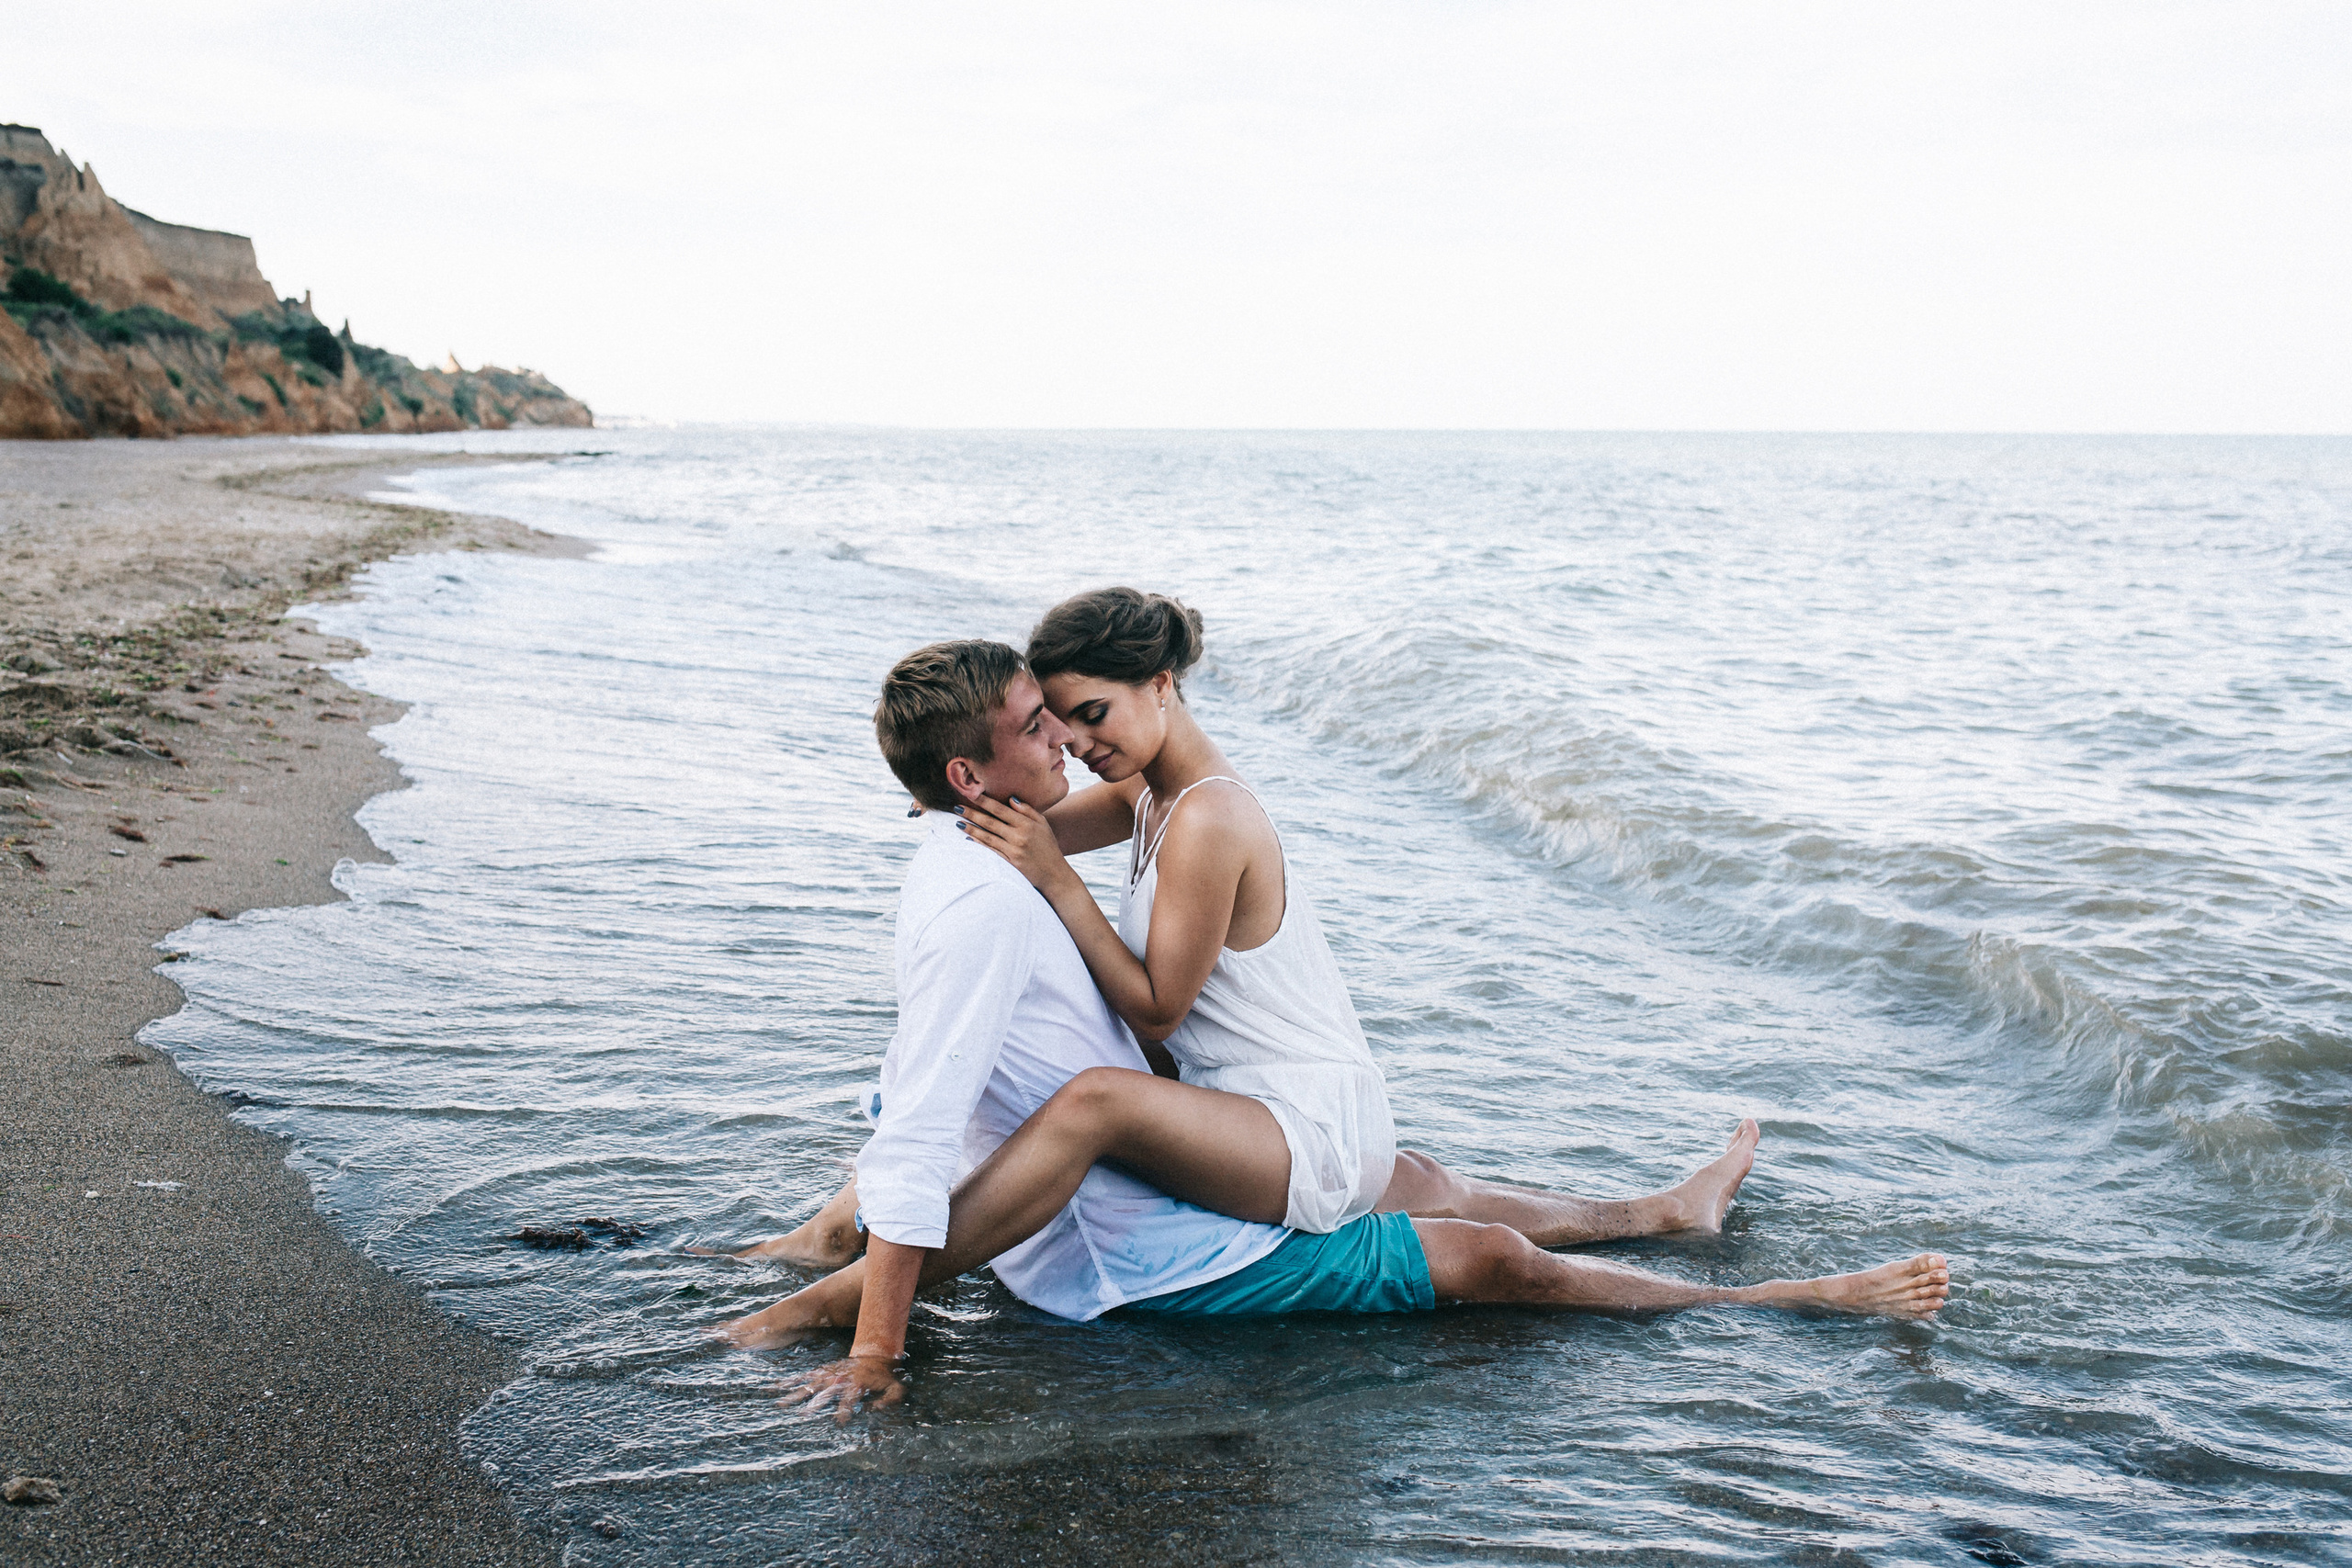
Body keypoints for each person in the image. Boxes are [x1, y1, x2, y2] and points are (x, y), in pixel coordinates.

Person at [714, 638, 1951, 1417]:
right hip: (1149, 1250)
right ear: (973, 778)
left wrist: (825, 1225)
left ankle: (1661, 1215)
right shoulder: (995, 892)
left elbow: (953, 1058)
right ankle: (1786, 1300)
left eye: (1071, 713)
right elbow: (934, 1106)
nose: (1069, 745)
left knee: (1412, 1176)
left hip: (1166, 1165)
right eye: (1043, 726)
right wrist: (873, 1337)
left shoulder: (1006, 843)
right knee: (1486, 1258)